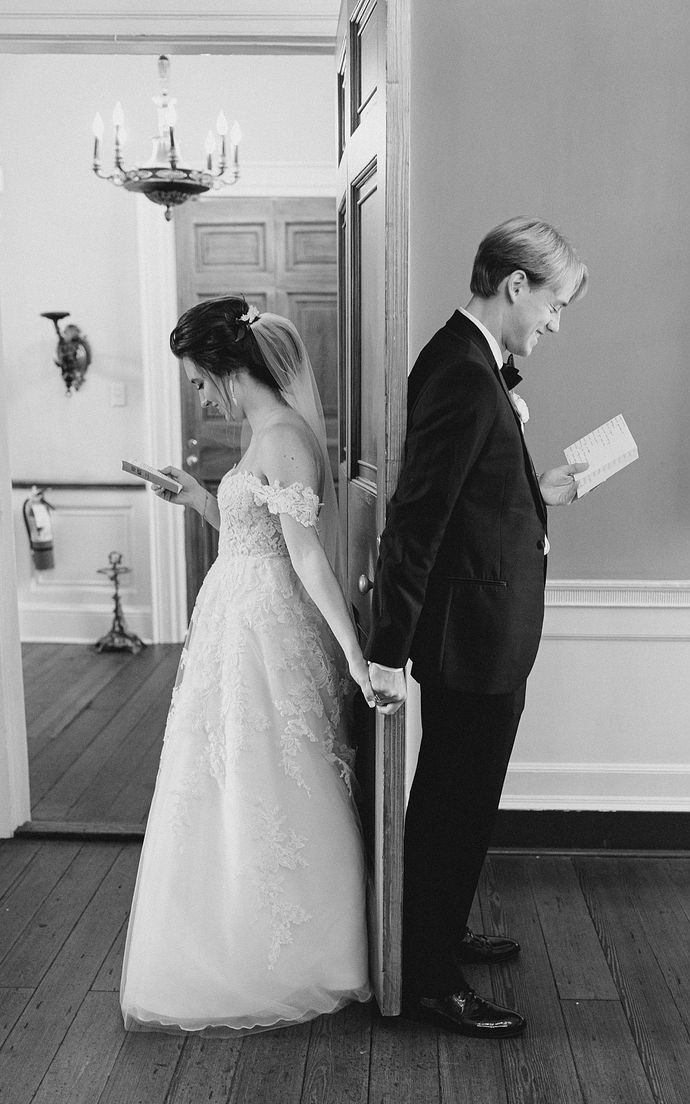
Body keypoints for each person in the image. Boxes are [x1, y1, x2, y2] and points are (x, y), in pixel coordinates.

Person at [120, 296, 374, 1034]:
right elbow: (251, 531)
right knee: (222, 782)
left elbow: (307, 561)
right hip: (234, 622)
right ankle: (223, 931)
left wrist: (356, 659)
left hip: (263, 633)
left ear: (230, 368)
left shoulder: (285, 436)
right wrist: (199, 496)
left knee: (269, 776)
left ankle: (290, 954)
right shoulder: (263, 432)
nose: (201, 395)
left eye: (202, 381)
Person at [365, 217, 589, 1038]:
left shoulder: (474, 364)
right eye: (554, 304)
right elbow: (419, 519)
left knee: (463, 801)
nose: (554, 324)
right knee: (453, 806)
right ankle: (428, 977)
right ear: (515, 284)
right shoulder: (461, 372)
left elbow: (473, 498)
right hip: (469, 637)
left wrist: (544, 494)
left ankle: (440, 931)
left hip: (485, 628)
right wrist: (387, 651)